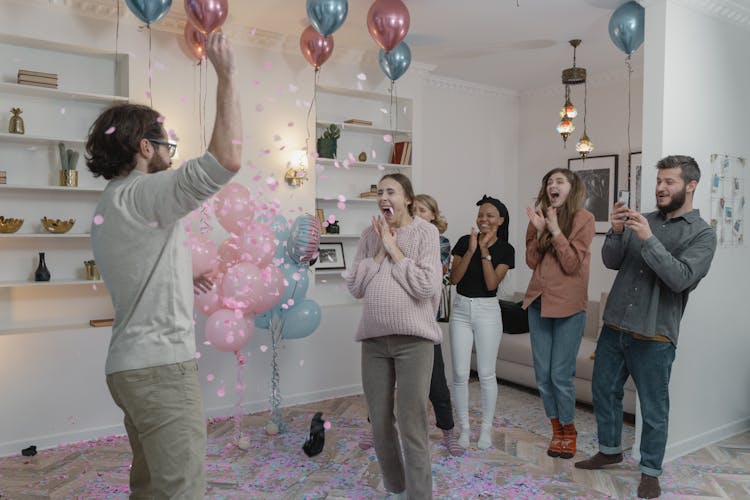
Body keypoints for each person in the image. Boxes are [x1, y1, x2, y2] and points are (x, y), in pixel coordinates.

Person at [87, 32, 242, 498]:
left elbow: (138, 268)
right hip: (159, 369)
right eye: (166, 144)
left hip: (129, 367)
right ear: (143, 148)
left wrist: (182, 275)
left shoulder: (112, 202)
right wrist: (227, 74)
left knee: (152, 488)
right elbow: (227, 160)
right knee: (182, 490)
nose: (170, 152)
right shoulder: (144, 193)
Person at [575, 155, 716, 499]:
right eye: (659, 181)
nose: (661, 188)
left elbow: (680, 279)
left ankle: (650, 470)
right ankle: (610, 449)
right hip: (615, 326)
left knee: (653, 407)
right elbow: (612, 260)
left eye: (670, 182)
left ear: (691, 185)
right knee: (603, 392)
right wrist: (618, 231)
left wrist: (649, 239)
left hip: (655, 335)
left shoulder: (703, 235)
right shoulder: (644, 220)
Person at [345, 173, 442, 499]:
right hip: (374, 342)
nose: (384, 197)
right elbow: (356, 286)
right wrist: (380, 251)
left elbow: (427, 286)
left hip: (413, 342)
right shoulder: (368, 237)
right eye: (380, 192)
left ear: (408, 198)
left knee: (412, 424)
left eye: (391, 192)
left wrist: (395, 249)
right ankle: (396, 488)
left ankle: (420, 495)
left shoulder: (425, 233)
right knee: (380, 423)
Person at [522, 168, 595, 459]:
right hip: (539, 303)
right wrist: (540, 231)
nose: (553, 185)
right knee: (543, 376)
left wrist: (553, 231)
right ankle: (556, 430)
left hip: (569, 307)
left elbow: (572, 264)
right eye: (549, 181)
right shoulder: (538, 217)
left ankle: (569, 429)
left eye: (559, 181)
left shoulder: (583, 220)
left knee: (560, 375)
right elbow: (530, 261)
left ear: (571, 188)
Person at [449, 195, 515, 450]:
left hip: (488, 312)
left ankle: (485, 429)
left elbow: (491, 284)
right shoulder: (465, 242)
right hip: (461, 310)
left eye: (489, 215)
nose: (483, 219)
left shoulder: (505, 250)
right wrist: (471, 251)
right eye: (480, 215)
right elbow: (454, 279)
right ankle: (464, 428)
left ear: (500, 220)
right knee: (459, 374)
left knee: (486, 374)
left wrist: (485, 252)